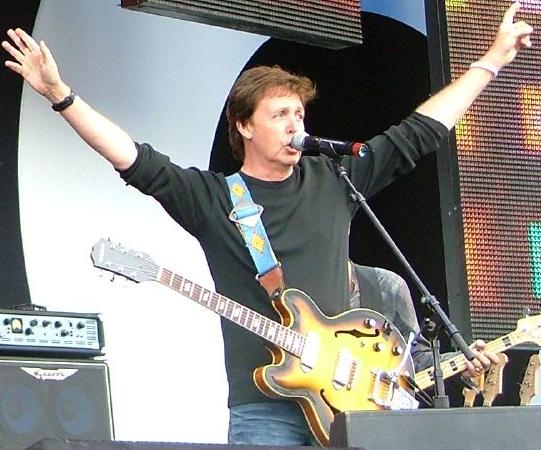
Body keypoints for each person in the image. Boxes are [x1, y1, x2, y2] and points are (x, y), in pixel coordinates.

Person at [2, 2, 532, 446]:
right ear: (244, 126)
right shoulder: (215, 199)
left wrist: (491, 60)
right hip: (265, 409)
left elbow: (418, 133)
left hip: (349, 403)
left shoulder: (333, 178)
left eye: (299, 114)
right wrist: (60, 95)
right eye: (280, 114)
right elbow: (135, 159)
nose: (295, 124)